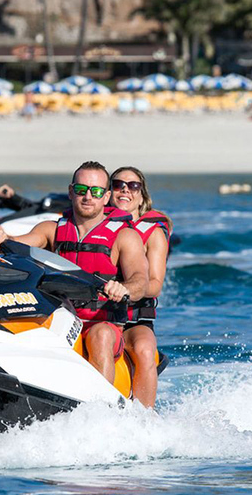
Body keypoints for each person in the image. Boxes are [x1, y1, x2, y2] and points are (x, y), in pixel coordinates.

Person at [0, 161, 149, 384]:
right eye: (81, 190)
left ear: (107, 196)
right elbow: (17, 245)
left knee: (101, 336)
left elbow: (140, 281)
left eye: (96, 191)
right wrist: (0, 241)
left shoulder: (125, 236)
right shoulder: (51, 229)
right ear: (71, 192)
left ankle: (101, 410)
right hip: (60, 316)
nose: (88, 196)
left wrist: (124, 288)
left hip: (101, 324)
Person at [108, 167, 171, 408]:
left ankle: (146, 420)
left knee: (144, 348)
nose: (125, 189)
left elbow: (154, 286)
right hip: (91, 313)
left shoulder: (152, 234)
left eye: (133, 186)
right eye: (117, 184)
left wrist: (125, 289)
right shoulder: (93, 227)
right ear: (107, 193)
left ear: (142, 196)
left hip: (133, 319)